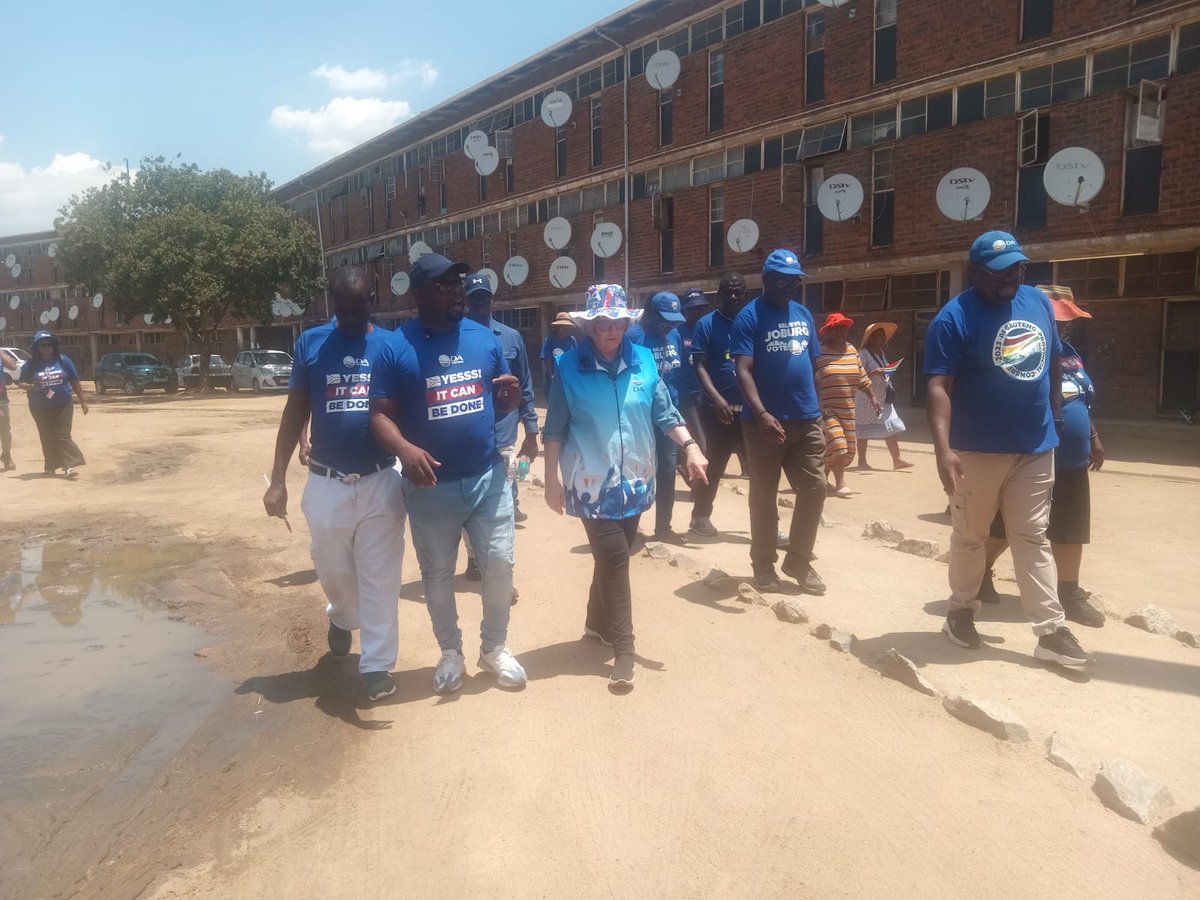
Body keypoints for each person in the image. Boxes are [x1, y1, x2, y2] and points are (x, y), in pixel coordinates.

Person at [924, 231, 1092, 667]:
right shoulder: (953, 318)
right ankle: (960, 611)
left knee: (1032, 536)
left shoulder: (1036, 301)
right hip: (977, 450)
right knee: (971, 535)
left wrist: (1054, 417)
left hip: (1035, 446)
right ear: (975, 272)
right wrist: (943, 448)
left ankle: (1050, 630)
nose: (1011, 278)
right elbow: (939, 385)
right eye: (1000, 272)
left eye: (1017, 269)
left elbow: (1053, 359)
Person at [369, 253, 527, 694]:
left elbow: (495, 398)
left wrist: (509, 402)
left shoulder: (483, 338)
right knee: (437, 575)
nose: (457, 290)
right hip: (429, 486)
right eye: (444, 285)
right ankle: (451, 652)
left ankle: (493, 648)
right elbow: (378, 415)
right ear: (419, 294)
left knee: (499, 564)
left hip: (486, 476)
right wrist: (404, 449)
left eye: (459, 283)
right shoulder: (396, 347)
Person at [542, 284, 707, 690]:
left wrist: (690, 447)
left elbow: (665, 413)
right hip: (590, 483)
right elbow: (555, 428)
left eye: (617, 323)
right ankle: (625, 648)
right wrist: (550, 479)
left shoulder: (646, 362)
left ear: (626, 323)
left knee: (615, 555)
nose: (610, 331)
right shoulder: (569, 369)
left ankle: (596, 623)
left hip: (635, 480)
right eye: (602, 323)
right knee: (615, 558)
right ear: (589, 326)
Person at [263, 267, 406, 702]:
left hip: (381, 478)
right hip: (326, 483)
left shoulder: (391, 344)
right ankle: (342, 617)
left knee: (381, 577)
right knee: (335, 571)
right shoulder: (311, 343)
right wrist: (278, 478)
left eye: (357, 308)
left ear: (373, 299)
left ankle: (377, 664)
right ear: (331, 303)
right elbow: (294, 412)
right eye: (341, 308)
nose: (348, 316)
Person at [976, 288, 1106, 628]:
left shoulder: (1072, 354)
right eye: (1058, 321)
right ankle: (980, 573)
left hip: (1072, 460)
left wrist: (1092, 436)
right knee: (1006, 528)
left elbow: (1077, 397)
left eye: (1067, 322)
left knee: (1070, 528)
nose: (1063, 328)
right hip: (1031, 457)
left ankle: (1069, 592)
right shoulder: (1022, 350)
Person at [731, 250, 827, 594]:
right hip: (764, 425)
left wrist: (820, 409)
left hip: (807, 418)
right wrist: (761, 413)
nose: (790, 286)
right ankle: (763, 564)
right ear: (767, 280)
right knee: (764, 495)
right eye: (784, 280)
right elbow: (743, 369)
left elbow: (813, 364)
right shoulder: (749, 316)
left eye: (795, 280)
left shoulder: (802, 313)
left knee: (816, 489)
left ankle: (798, 561)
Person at [462, 272, 540, 591]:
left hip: (504, 439)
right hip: (467, 440)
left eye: (485, 297)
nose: (480, 302)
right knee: (470, 505)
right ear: (466, 301)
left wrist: (532, 429)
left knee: (504, 505)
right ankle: (472, 556)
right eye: (474, 297)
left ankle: (501, 572)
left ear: (492, 300)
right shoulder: (456, 338)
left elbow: (525, 384)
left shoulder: (510, 338)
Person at [689, 273, 748, 536]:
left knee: (762, 470)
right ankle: (700, 517)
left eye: (738, 292)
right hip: (717, 412)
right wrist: (717, 399)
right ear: (719, 294)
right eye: (728, 291)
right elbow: (700, 366)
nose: (733, 297)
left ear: (745, 294)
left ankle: (769, 526)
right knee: (713, 466)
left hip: (751, 412)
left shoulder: (752, 322)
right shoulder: (706, 324)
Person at [629, 291, 686, 542]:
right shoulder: (633, 338)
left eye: (674, 322)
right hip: (639, 419)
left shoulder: (673, 335)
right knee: (636, 473)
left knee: (667, 471)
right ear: (650, 315)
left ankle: (664, 528)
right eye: (665, 321)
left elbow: (676, 373)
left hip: (667, 417)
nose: (670, 327)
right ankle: (629, 528)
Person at [814, 312, 882, 499]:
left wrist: (873, 397)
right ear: (827, 331)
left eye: (843, 328)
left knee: (849, 450)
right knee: (838, 444)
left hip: (848, 409)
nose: (840, 331)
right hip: (827, 408)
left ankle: (821, 476)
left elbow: (862, 377)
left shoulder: (852, 350)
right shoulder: (818, 353)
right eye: (835, 328)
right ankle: (840, 483)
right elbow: (810, 378)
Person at [17, 331, 87, 477]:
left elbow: (74, 381)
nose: (47, 348)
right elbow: (21, 383)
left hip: (63, 403)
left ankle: (70, 464)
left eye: (50, 345)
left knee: (62, 434)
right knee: (46, 435)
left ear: (54, 346)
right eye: (43, 345)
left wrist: (83, 401)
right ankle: (50, 466)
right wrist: (31, 387)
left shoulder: (63, 360)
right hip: (39, 406)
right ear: (37, 347)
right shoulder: (30, 364)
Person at [854, 322, 913, 470]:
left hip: (883, 396)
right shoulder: (863, 354)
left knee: (891, 424)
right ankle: (862, 461)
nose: (882, 338)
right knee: (863, 429)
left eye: (883, 335)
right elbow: (856, 375)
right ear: (870, 338)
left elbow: (884, 370)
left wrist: (888, 370)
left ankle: (897, 459)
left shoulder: (880, 353)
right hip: (866, 397)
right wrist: (874, 373)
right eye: (878, 335)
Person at [540, 312, 577, 397]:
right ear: (557, 328)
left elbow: (576, 358)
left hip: (570, 379)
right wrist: (552, 378)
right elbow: (547, 361)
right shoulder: (549, 341)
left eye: (567, 328)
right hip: (554, 380)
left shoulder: (572, 340)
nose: (565, 330)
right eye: (562, 328)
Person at [0, 348, 17, 470]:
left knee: (5, 430)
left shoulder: (2, 354)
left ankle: (6, 455)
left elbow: (12, 366)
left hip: (1, 399)